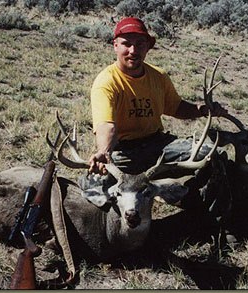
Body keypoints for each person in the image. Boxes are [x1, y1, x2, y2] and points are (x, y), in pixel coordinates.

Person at [88, 17, 227, 176]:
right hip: (123, 151)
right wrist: (104, 152)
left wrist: (202, 109)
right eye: (127, 44)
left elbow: (176, 107)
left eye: (140, 44)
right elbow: (106, 126)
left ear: (147, 47)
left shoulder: (158, 76)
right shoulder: (106, 82)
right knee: (95, 183)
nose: (133, 51)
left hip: (158, 144)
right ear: (115, 46)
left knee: (210, 155)